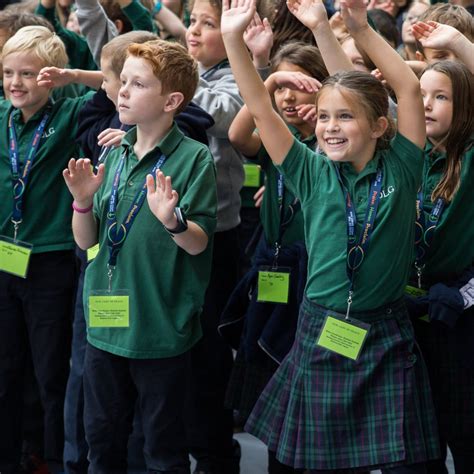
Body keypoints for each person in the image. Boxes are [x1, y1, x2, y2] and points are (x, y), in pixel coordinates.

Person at [221, 0, 441, 471]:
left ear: (380, 126)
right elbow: (259, 106)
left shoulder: (403, 165)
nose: (329, 127)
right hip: (320, 330)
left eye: (344, 118)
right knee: (309, 462)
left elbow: (404, 83)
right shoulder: (308, 169)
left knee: (411, 461)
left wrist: (357, 28)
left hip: (384, 331)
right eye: (323, 117)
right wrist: (232, 41)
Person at [63, 38, 217, 474]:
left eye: (137, 84)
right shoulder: (114, 148)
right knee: (102, 439)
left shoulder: (194, 158)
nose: (123, 91)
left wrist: (174, 222)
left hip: (160, 328)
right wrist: (82, 202)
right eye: (123, 82)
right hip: (106, 324)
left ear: (171, 101)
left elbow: (200, 242)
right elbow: (86, 242)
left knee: (162, 446)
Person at [222, 36, 327, 474]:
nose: (287, 96)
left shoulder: (332, 138)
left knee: (309, 389)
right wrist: (268, 80)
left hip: (311, 274)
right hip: (273, 266)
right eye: (280, 89)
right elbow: (237, 134)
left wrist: (323, 111)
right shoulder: (275, 137)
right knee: (269, 382)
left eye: (297, 85)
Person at [0, 25, 94, 474]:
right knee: (5, 368)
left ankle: (53, 457)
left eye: (28, 74)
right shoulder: (0, 116)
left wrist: (74, 76)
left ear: (50, 77)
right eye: (7, 73)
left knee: (49, 370)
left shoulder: (72, 114)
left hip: (51, 260)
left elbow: (115, 92)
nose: (15, 83)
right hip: (3, 258)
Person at [407, 24, 474, 473]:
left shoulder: (469, 157)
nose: (426, 105)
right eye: (420, 95)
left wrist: (457, 45)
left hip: (459, 321)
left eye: (442, 97)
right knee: (415, 445)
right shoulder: (407, 155)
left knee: (465, 434)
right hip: (406, 319)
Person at [184, 0, 245, 471]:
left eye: (208, 23)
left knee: (208, 352)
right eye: (191, 20)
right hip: (170, 234)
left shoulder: (238, 78)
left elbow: (224, 115)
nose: (193, 30)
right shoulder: (189, 72)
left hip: (218, 236)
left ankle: (216, 452)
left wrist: (167, 84)